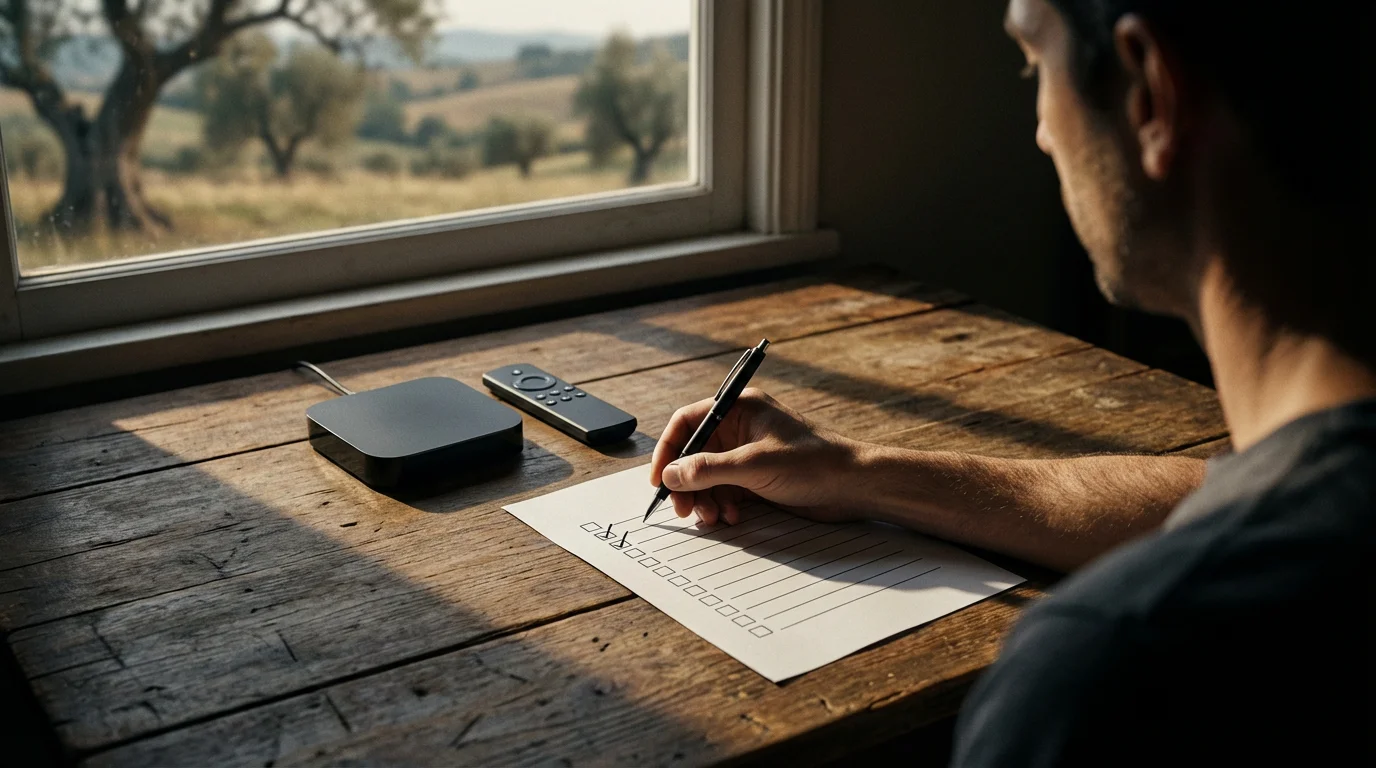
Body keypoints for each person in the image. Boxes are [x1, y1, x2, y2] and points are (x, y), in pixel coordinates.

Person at [649, 0, 1372, 764]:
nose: (1042, 131)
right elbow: (1212, 495)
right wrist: (857, 474)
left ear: (1151, 96)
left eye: (1035, 61)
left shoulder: (1108, 675)